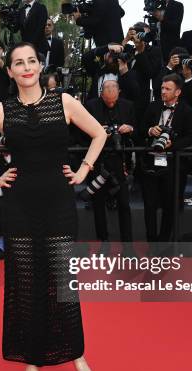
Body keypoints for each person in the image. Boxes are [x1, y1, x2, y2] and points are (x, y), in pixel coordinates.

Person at [0, 42, 107, 371]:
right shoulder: (3, 110)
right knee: (26, 283)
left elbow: (100, 133)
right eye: (18, 63)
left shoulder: (64, 102)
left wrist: (84, 170)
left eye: (31, 61)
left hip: (58, 202)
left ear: (40, 67)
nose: (26, 67)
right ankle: (32, 360)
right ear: (9, 71)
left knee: (62, 282)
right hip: (21, 204)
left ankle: (78, 357)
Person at [141, 74, 192, 250]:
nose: (163, 92)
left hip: (174, 166)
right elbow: (140, 128)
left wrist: (172, 145)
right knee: (149, 205)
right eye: (162, 88)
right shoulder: (152, 107)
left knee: (170, 205)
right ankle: (151, 241)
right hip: (150, 165)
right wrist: (150, 131)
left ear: (178, 92)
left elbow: (190, 137)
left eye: (167, 89)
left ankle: (164, 242)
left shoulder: (187, 111)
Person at [83, 80, 136, 254]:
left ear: (119, 93)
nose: (111, 103)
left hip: (120, 162)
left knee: (124, 203)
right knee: (98, 202)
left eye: (114, 100)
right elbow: (80, 132)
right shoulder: (90, 106)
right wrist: (96, 131)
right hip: (98, 161)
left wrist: (130, 128)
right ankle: (103, 241)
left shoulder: (128, 106)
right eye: (108, 101)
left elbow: (139, 129)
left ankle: (127, 245)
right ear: (101, 94)